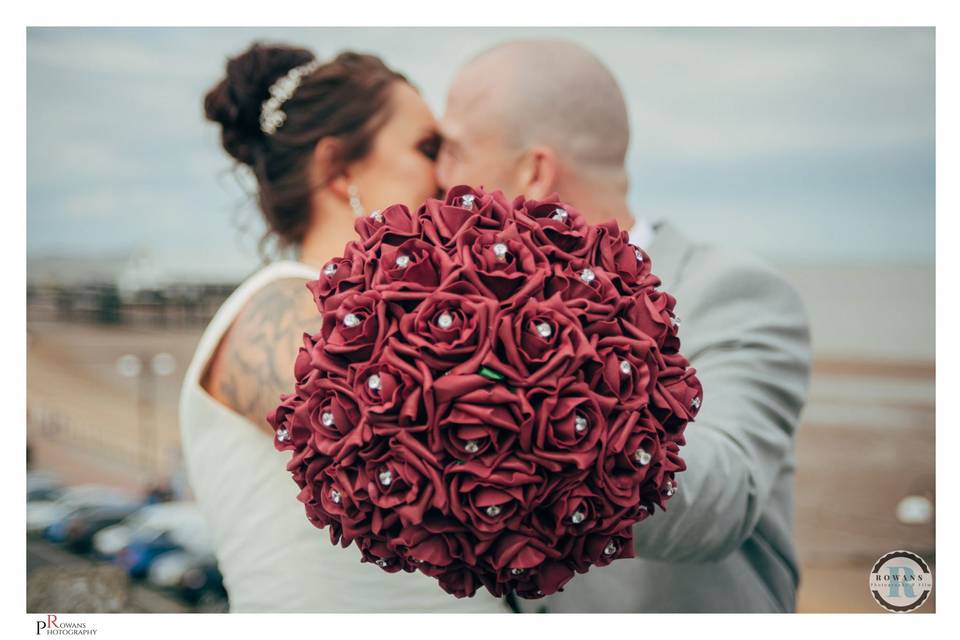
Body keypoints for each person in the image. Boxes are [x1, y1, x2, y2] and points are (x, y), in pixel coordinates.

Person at [437, 40, 812, 613]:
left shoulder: (732, 290)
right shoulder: (462, 307)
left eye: (454, 150)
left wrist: (532, 425)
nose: (440, 176)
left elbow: (724, 495)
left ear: (534, 172)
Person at [180, 42, 509, 613]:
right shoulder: (275, 309)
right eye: (429, 148)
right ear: (339, 169)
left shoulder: (406, 316)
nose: (450, 174)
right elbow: (447, 442)